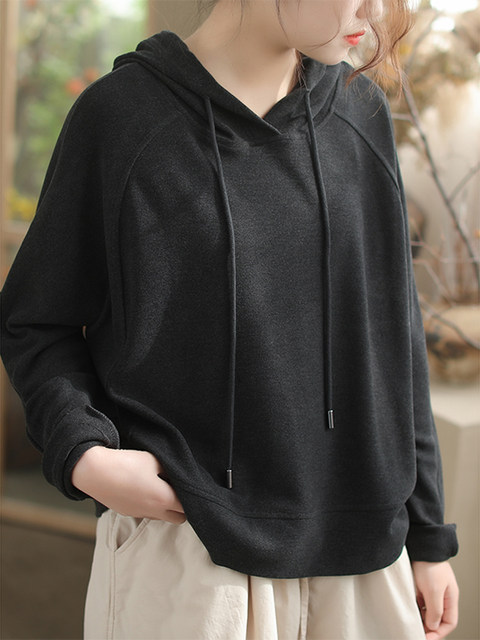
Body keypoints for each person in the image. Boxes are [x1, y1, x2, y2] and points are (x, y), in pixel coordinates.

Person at [0, 0, 460, 638]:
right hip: (191, 548)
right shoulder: (120, 116)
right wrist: (84, 453)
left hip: (367, 556)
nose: (376, 11)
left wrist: (429, 535)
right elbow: (35, 322)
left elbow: (395, 336)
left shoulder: (362, 112)